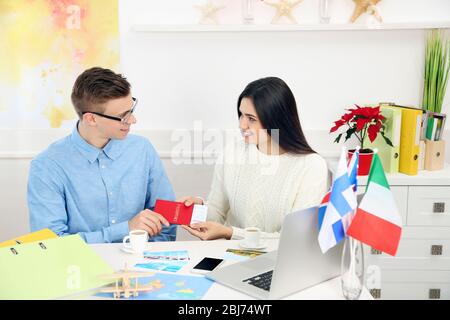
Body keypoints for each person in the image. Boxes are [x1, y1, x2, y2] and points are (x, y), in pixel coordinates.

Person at [28, 67, 176, 243]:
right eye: (123, 116)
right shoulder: (47, 166)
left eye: (132, 109)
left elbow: (166, 224)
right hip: (78, 268)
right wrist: (125, 230)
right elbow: (51, 244)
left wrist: (146, 259)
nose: (133, 120)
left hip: (143, 264)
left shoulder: (142, 149)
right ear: (91, 119)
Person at [179, 77, 328, 241]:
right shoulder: (232, 152)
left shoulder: (312, 166)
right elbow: (217, 213)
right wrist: (198, 208)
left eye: (251, 118)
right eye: (241, 115)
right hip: (228, 257)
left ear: (276, 120)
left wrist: (230, 233)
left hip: (280, 263)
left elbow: (296, 238)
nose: (242, 125)